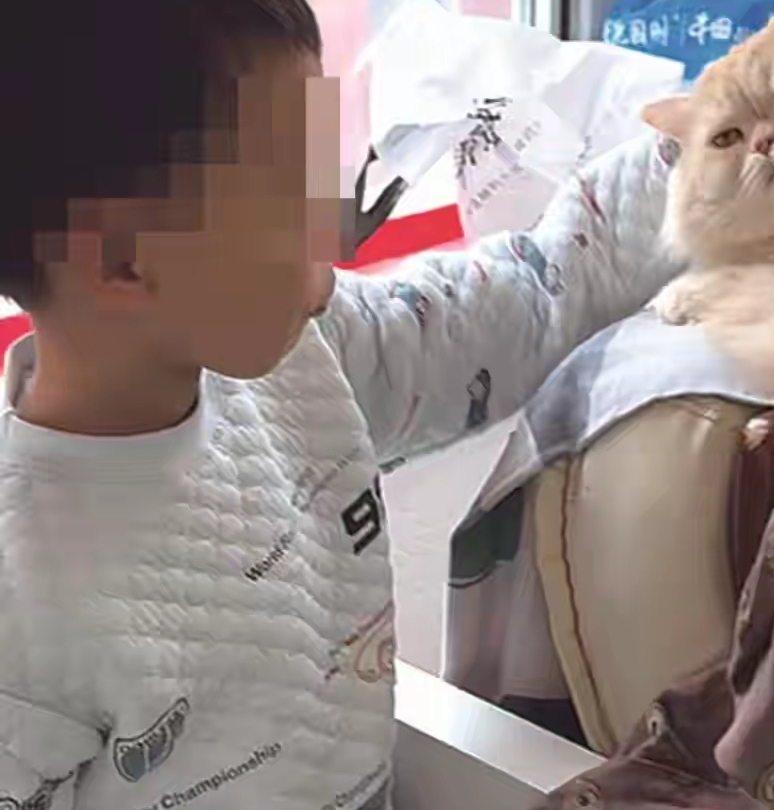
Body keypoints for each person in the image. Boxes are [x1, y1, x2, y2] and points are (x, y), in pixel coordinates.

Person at [0, 1, 679, 808]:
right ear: (122, 261)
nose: (331, 258)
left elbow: (534, 294)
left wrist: (708, 141)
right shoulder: (25, 606)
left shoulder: (312, 358)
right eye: (295, 204)